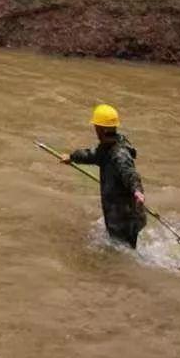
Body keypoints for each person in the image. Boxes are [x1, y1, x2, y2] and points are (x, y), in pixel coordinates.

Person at [60, 103, 147, 249]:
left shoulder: (119, 154)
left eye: (96, 127)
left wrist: (137, 191)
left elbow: (129, 173)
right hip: (118, 212)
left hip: (125, 216)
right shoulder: (107, 148)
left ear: (100, 129)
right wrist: (72, 157)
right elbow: (91, 155)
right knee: (122, 250)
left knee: (124, 252)